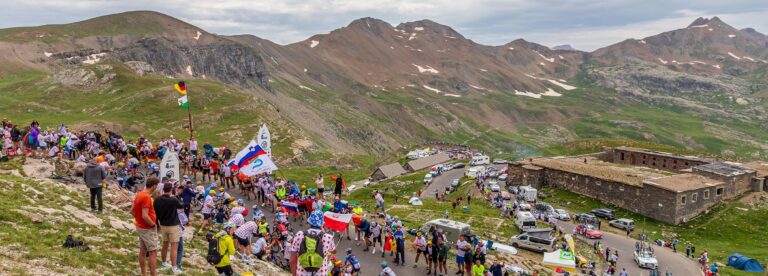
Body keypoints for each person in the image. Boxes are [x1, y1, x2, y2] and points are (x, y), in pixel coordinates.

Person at [290, 210, 336, 276]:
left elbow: (292, 260)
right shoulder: (328, 237)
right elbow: (333, 251)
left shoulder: (299, 234)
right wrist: (324, 233)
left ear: (309, 222)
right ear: (322, 224)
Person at [153, 184, 184, 274]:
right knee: (174, 246)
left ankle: (163, 262)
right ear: (171, 190)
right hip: (173, 225)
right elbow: (181, 206)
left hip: (163, 224)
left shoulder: (157, 199)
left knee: (165, 244)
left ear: (163, 189)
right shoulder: (173, 199)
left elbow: (155, 213)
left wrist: (157, 224)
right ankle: (174, 267)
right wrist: (178, 196)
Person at [132, 177, 159, 276]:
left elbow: (132, 211)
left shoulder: (139, 194)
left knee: (143, 251)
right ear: (154, 186)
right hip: (147, 228)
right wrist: (153, 224)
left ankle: (144, 273)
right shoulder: (147, 197)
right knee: (153, 252)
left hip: (140, 226)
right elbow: (145, 215)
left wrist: (139, 220)